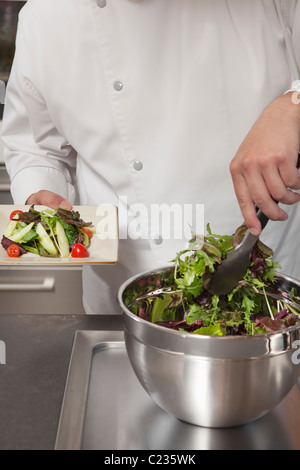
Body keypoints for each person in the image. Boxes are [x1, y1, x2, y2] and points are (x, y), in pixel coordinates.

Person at [1, 0, 300, 315]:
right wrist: (43, 190)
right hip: (123, 303)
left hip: (265, 293)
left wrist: (291, 107)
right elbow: (36, 146)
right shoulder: (45, 16)